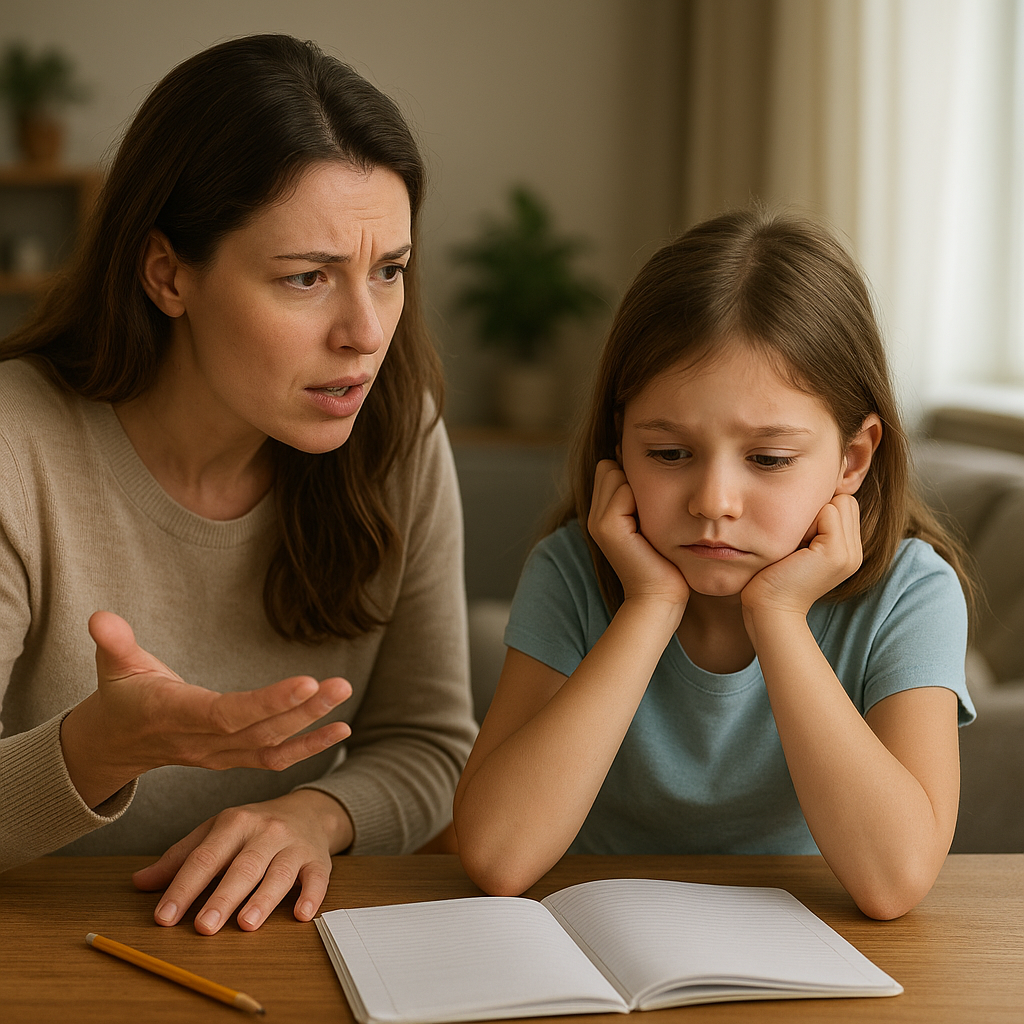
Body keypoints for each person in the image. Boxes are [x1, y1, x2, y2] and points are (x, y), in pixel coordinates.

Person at [0, 34, 476, 933]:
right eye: (307, 278)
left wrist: (317, 816)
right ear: (168, 273)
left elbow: (430, 744)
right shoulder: (13, 446)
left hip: (268, 945)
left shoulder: (397, 434)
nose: (366, 333)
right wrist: (96, 750)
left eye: (390, 271)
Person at [453, 207, 976, 920]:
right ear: (620, 440)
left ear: (853, 458)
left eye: (767, 459)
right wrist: (649, 606)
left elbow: (893, 882)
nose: (713, 502)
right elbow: (497, 856)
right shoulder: (573, 570)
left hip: (807, 950)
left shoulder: (913, 593)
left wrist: (779, 616)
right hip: (601, 938)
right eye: (668, 454)